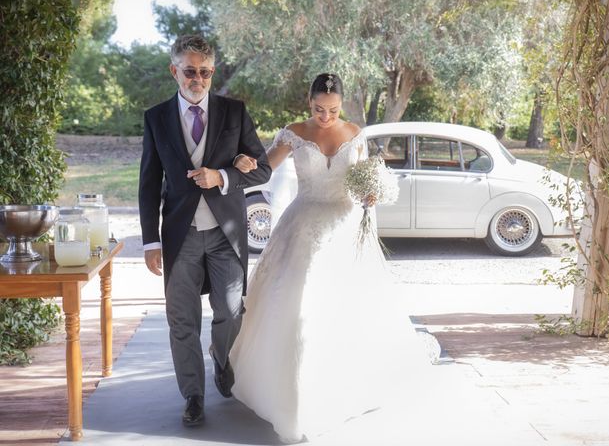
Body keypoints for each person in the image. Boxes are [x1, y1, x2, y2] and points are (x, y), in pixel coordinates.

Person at [229, 73, 436, 443]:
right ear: (308, 103)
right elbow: (266, 166)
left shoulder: (355, 133)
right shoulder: (292, 133)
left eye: (333, 110)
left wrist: (371, 195)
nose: (325, 116)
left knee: (343, 305)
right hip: (303, 222)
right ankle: (290, 395)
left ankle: (340, 384)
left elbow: (359, 179)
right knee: (297, 299)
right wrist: (246, 164)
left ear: (342, 106)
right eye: (318, 109)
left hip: (342, 225)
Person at [138, 34, 271, 427]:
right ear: (174, 70)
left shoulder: (234, 112)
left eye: (206, 72)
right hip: (180, 235)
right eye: (190, 71)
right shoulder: (156, 117)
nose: (198, 79)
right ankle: (193, 395)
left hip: (225, 232)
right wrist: (150, 240)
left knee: (231, 311)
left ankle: (220, 354)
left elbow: (262, 169)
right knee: (182, 320)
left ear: (213, 73)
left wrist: (223, 176)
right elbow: (148, 183)